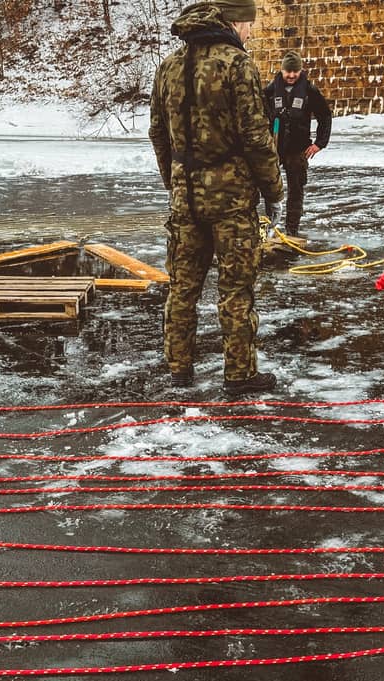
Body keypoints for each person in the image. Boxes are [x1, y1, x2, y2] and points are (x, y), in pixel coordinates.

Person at [148, 0, 284, 396]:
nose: (250, 32)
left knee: (182, 287)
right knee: (236, 289)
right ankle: (239, 374)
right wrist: (273, 190)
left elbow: (158, 132)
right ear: (235, 22)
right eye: (248, 24)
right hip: (231, 200)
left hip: (184, 198)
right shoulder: (237, 64)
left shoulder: (169, 65)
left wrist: (173, 180)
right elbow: (256, 137)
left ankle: (179, 368)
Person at [262, 50, 331, 238]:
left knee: (296, 190)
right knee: (269, 188)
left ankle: (292, 229)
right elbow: (258, 115)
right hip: (274, 149)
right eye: (288, 72)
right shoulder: (270, 90)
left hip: (298, 149)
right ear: (282, 70)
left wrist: (319, 143)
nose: (291, 75)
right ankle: (269, 227)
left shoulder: (309, 90)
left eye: (295, 71)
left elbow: (325, 115)